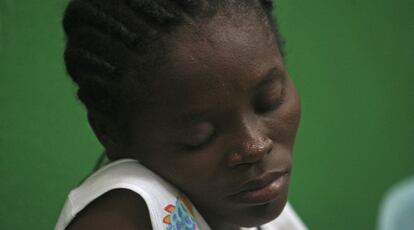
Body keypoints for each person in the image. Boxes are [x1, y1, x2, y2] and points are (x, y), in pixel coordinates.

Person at [55, 0, 307, 229]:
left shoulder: (257, 202)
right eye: (199, 135)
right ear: (110, 134)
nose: (255, 146)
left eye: (270, 101)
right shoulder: (124, 214)